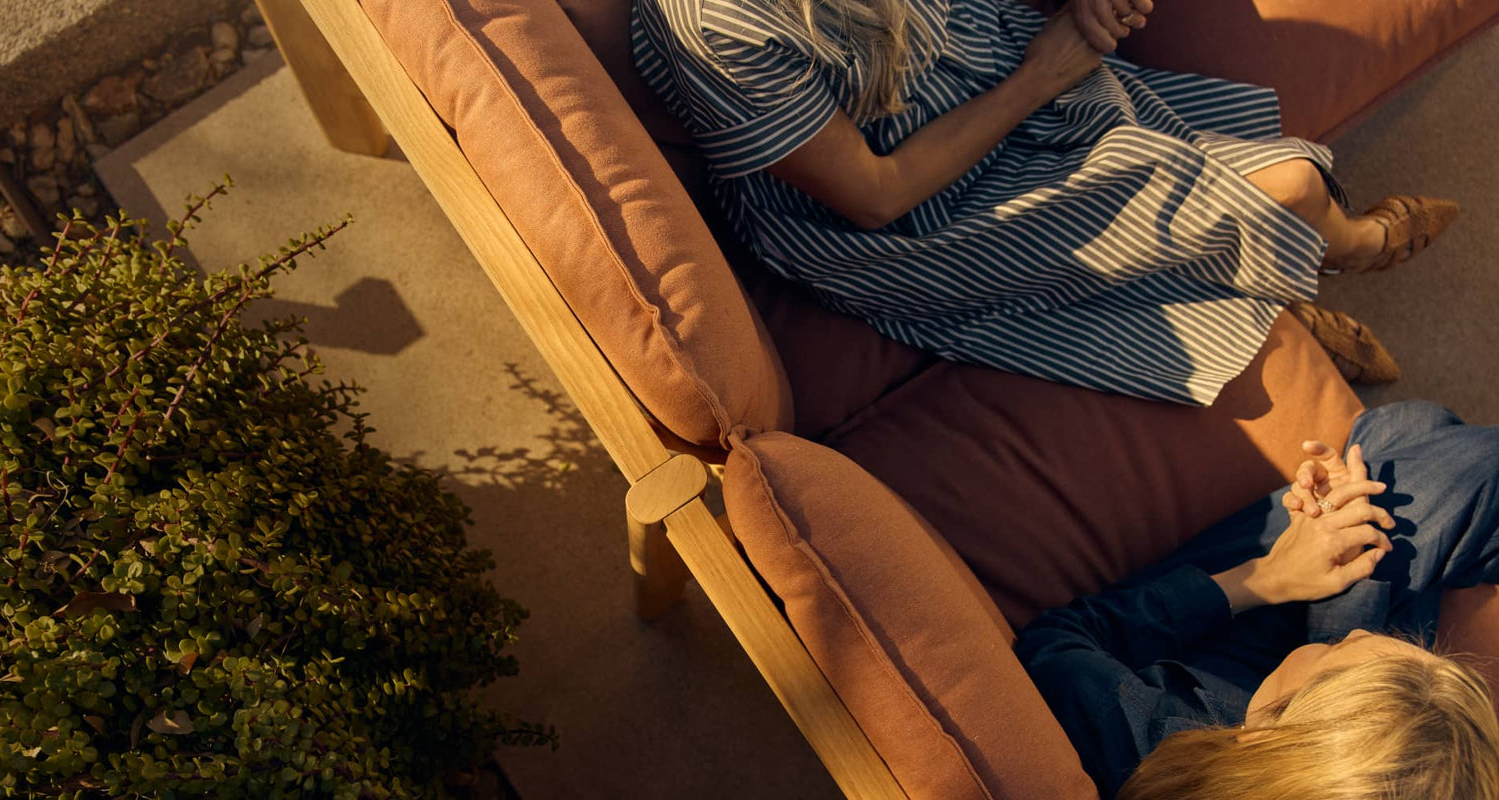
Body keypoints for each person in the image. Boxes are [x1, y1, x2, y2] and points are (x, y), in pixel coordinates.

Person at [631, 0, 1459, 404]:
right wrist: (1042, 74)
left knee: (1203, 182)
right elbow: (874, 197)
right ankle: (1349, 246)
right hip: (919, 207)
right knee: (1296, 185)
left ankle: (1266, 280)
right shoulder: (715, 24)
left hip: (979, 65)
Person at [1014, 400, 1499, 799]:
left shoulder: (1135, 739)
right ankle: (1394, 448)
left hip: (1214, 636)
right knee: (1401, 471)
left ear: (1267, 738)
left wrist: (1266, 577)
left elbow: (1053, 642)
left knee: (1425, 463)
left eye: (1340, 650)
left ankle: (1398, 444)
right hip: (1288, 698)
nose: (1357, 633)